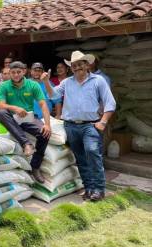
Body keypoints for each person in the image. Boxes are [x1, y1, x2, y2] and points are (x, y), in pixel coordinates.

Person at [44, 51, 116, 201]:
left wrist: (103, 121)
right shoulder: (67, 82)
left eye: (80, 64)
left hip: (90, 125)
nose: (77, 67)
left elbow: (110, 102)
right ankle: (89, 188)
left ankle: (99, 189)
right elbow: (54, 96)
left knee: (92, 152)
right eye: (74, 65)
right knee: (81, 158)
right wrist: (46, 82)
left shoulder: (98, 80)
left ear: (87, 65)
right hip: (71, 126)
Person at [0, 61, 51, 183]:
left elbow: (43, 104)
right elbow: (0, 105)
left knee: (45, 133)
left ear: (24, 71)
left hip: (29, 118)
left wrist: (47, 124)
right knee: (1, 114)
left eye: (18, 72)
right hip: (11, 118)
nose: (16, 75)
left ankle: (35, 167)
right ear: (9, 73)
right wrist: (15, 108)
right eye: (13, 72)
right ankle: (26, 144)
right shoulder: (3, 86)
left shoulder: (33, 85)